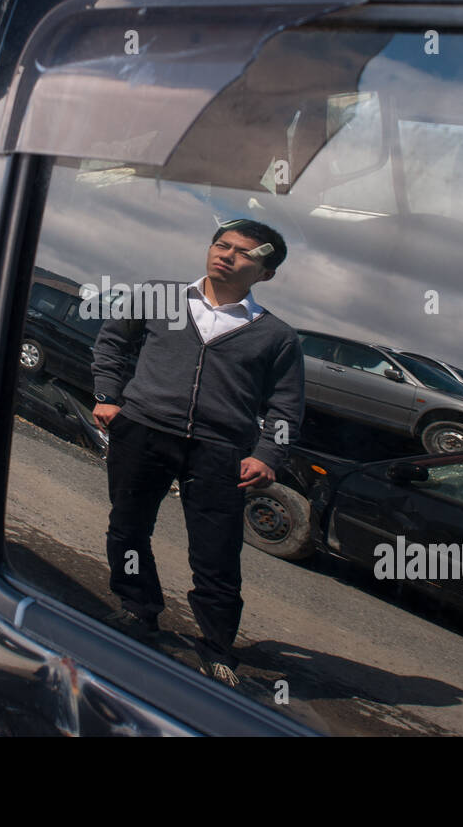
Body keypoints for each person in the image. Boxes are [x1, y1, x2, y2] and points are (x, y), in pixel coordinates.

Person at [91, 219, 305, 686]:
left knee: (216, 554)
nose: (226, 254)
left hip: (220, 451)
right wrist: (107, 395)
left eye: (243, 253)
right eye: (221, 245)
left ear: (266, 273)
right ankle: (137, 608)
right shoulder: (159, 297)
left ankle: (216, 649)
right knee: (127, 526)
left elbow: (286, 405)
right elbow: (112, 342)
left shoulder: (277, 337)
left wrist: (268, 454)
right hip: (144, 430)